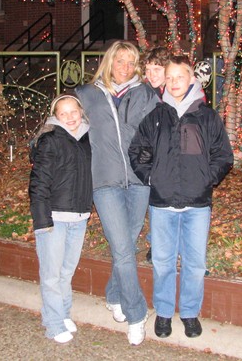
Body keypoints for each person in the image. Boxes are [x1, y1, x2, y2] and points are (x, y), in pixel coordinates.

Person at [129, 55, 233, 339]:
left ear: (192, 79)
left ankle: (189, 313)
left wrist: (207, 179)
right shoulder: (156, 116)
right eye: (170, 77)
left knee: (194, 263)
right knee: (162, 262)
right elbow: (138, 151)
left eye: (180, 77)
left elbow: (223, 155)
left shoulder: (206, 117)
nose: (174, 82)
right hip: (162, 203)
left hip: (197, 204)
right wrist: (151, 178)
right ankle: (163, 312)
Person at [76, 40, 160, 345]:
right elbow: (65, 122)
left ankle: (113, 294)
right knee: (124, 250)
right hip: (105, 181)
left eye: (130, 62)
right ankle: (137, 314)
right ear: (109, 61)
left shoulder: (146, 94)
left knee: (125, 245)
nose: (125, 67)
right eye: (120, 60)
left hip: (139, 182)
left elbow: (160, 133)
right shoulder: (87, 94)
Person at [29, 93, 93, 344]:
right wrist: (42, 220)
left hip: (79, 216)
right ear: (55, 117)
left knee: (66, 271)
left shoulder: (87, 138)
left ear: (81, 112)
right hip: (54, 217)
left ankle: (63, 314)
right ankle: (53, 324)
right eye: (63, 113)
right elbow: (39, 183)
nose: (70, 117)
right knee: (52, 274)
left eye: (73, 111)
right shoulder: (50, 140)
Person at [141, 45, 172, 263]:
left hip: (173, 155)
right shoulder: (145, 93)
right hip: (153, 155)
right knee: (155, 199)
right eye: (148, 70)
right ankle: (156, 242)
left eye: (157, 69)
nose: (152, 75)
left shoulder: (174, 90)